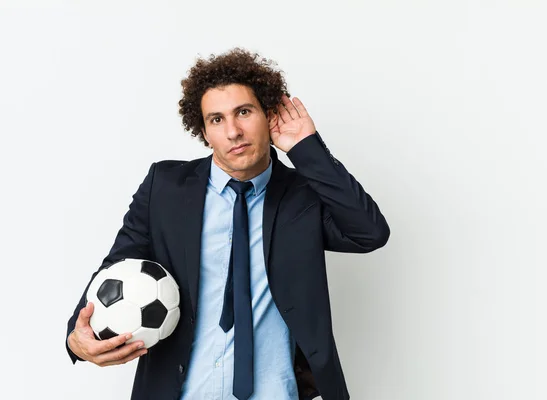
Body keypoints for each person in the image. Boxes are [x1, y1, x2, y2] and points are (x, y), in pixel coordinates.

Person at [65, 48, 390, 400]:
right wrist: (76, 336)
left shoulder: (303, 195)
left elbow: (368, 232)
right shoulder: (166, 186)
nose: (233, 131)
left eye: (244, 112)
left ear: (268, 115)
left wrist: (305, 149)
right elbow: (118, 267)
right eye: (217, 119)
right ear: (204, 131)